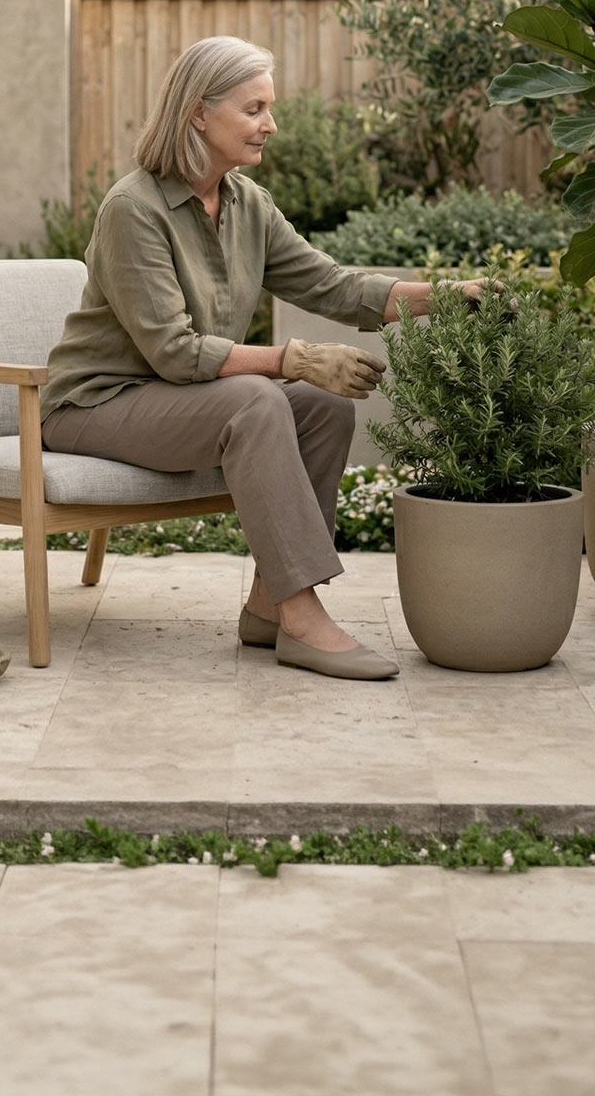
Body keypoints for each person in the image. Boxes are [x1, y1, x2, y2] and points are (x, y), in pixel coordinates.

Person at [40, 36, 482, 681]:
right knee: (258, 398)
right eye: (254, 109)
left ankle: (270, 607)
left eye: (268, 109)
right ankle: (304, 618)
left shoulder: (248, 204)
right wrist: (293, 359)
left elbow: (331, 285)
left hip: (181, 400)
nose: (270, 125)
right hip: (96, 404)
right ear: (198, 112)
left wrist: (445, 298)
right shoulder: (134, 210)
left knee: (323, 406)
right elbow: (175, 351)